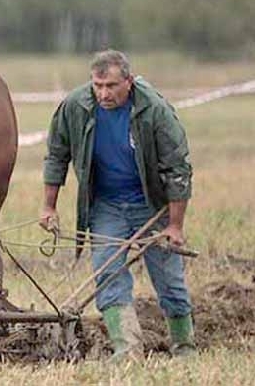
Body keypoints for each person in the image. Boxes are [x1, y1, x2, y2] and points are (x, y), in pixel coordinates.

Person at [40, 49, 195, 361]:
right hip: (106, 205)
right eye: (97, 85)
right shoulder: (75, 106)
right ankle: (127, 348)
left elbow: (178, 168)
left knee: (169, 280)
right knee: (108, 273)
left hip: (152, 204)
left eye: (110, 86)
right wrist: (49, 206)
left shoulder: (154, 110)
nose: (103, 93)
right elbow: (57, 154)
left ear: (129, 81)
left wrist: (175, 225)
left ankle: (184, 346)